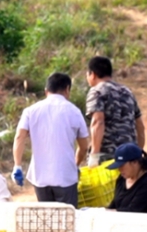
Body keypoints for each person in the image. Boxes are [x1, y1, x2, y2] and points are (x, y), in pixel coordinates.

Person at [12, 72, 89, 207]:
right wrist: (75, 164)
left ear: (46, 91)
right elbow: (83, 147)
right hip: (65, 176)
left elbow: (19, 137)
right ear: (67, 89)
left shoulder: (31, 111)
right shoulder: (74, 111)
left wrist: (17, 166)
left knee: (47, 220)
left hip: (40, 176)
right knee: (67, 221)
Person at [85, 56, 145, 166]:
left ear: (92, 74)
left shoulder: (96, 91)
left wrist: (94, 154)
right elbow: (140, 126)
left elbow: (98, 121)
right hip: (129, 156)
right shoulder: (127, 92)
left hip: (107, 156)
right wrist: (139, 152)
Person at [106, 143, 147, 214]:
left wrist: (111, 212)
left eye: (122, 165)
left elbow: (133, 211)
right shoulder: (121, 179)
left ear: (135, 162)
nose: (119, 169)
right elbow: (114, 205)